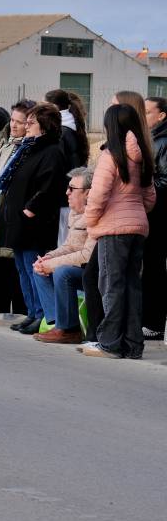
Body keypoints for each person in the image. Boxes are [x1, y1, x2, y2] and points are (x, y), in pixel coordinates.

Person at [80, 103, 156, 358]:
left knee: (111, 285)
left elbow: (98, 195)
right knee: (132, 286)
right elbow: (150, 197)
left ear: (110, 126)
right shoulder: (142, 156)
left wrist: (91, 222)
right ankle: (133, 345)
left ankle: (110, 343)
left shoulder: (110, 155)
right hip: (137, 227)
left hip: (113, 229)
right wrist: (134, 209)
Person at [0, 103, 69, 334]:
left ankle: (41, 314)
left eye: (31, 123)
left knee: (32, 268)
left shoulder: (52, 151)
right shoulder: (28, 148)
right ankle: (31, 312)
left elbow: (49, 186)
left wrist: (30, 210)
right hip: (18, 219)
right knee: (22, 268)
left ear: (44, 126)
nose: (26, 127)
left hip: (33, 223)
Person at [30, 167, 96, 344]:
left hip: (93, 272)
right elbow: (69, 246)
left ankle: (69, 329)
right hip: (79, 268)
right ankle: (57, 323)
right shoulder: (75, 213)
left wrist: (53, 264)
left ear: (88, 193)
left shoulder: (94, 214)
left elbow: (87, 255)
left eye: (72, 189)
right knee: (39, 268)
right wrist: (48, 258)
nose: (67, 192)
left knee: (62, 272)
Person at [142, 96, 167, 340]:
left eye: (148, 112)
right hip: (149, 213)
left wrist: (142, 189)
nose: (144, 115)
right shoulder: (150, 138)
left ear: (161, 116)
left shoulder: (163, 141)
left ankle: (154, 323)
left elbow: (164, 181)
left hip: (158, 215)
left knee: (154, 269)